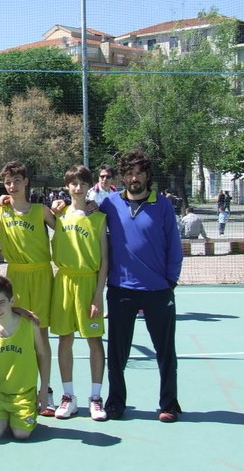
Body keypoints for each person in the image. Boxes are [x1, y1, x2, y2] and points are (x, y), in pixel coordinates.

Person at [99, 149, 183, 422]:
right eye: (129, 173)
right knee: (117, 352)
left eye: (139, 173)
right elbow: (84, 216)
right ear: (122, 176)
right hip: (121, 289)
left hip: (158, 290)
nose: (134, 178)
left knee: (165, 351)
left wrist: (170, 280)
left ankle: (169, 404)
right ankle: (115, 403)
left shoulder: (163, 205)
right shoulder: (109, 204)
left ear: (147, 175)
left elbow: (174, 246)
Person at [0, 161, 56, 415]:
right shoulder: (0, 210)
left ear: (26, 181)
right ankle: (22, 389)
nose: (12, 186)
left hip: (41, 277)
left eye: (17, 181)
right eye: (8, 182)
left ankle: (45, 390)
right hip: (15, 277)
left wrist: (70, 204)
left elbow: (69, 226)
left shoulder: (41, 210)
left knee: (41, 336)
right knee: (17, 335)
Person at [50, 165, 108, 421]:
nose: (78, 187)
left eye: (83, 183)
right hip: (63, 282)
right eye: (73, 183)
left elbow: (105, 261)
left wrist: (98, 295)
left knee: (94, 340)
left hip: (88, 283)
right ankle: (68, 396)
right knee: (65, 339)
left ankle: (95, 397)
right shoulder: (59, 215)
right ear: (67, 186)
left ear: (89, 186)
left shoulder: (98, 217)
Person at [0, 275, 50, 439]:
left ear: (12, 301)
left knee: (21, 434)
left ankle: (21, 415)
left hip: (23, 394)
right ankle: (1, 415)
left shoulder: (29, 324)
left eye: (2, 303)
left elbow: (42, 353)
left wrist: (44, 389)